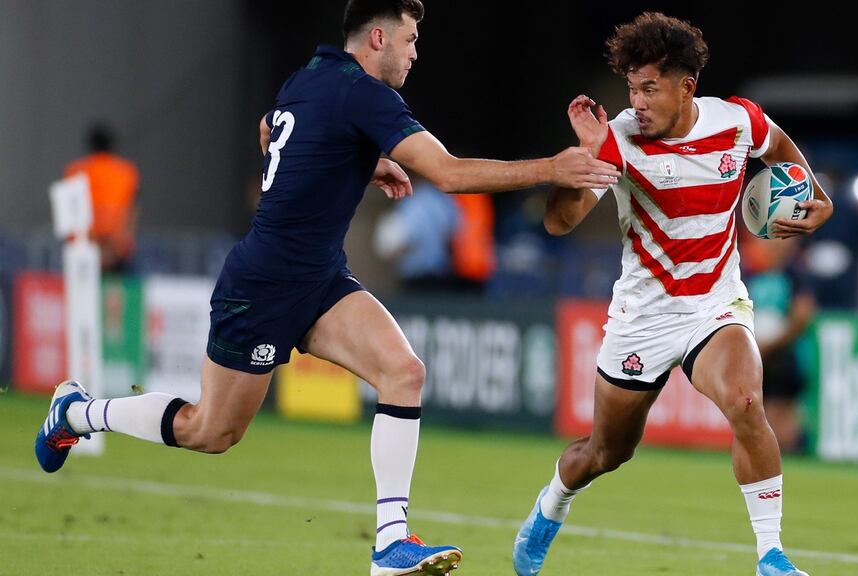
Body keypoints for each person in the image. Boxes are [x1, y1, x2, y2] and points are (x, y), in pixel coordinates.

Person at [34, 2, 619, 575]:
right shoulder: (364, 94)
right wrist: (552, 168)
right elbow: (449, 173)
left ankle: (390, 542)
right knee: (211, 431)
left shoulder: (309, 76)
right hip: (262, 283)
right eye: (411, 39)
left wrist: (361, 164)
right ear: (380, 39)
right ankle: (80, 413)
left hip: (318, 279)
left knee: (403, 372)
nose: (416, 53)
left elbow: (272, 136)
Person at [512, 12, 832, 576]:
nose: (637, 101)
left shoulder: (736, 122)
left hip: (715, 302)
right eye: (632, 87)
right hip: (643, 317)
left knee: (746, 401)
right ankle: (551, 505)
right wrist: (582, 161)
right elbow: (560, 222)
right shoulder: (618, 140)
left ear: (687, 87)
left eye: (650, 88)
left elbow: (779, 147)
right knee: (606, 454)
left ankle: (771, 556)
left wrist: (816, 196)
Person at [741, 235, 817, 453]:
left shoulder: (797, 274)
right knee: (761, 410)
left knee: (783, 413)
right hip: (759, 353)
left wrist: (772, 344)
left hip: (787, 355)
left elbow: (802, 317)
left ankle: (789, 461)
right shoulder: (750, 273)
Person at [64, 123, 139, 273]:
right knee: (120, 292)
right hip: (117, 248)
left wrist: (86, 244)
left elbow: (71, 214)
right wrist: (115, 247)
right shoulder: (126, 172)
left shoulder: (75, 170)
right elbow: (131, 211)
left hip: (85, 247)